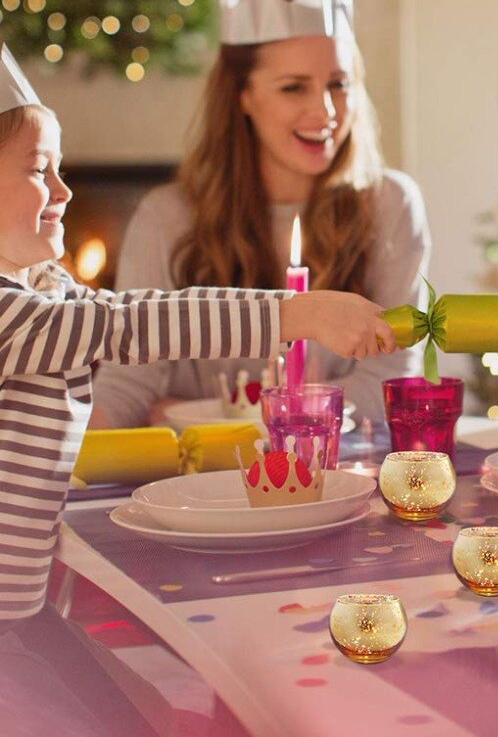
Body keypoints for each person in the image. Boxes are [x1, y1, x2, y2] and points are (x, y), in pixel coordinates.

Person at [0, 45, 393, 733]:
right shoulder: (16, 317)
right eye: (40, 171)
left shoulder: (38, 289)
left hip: (23, 606)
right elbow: (129, 323)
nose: (64, 191)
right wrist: (293, 313)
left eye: (61, 167)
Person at [93, 0, 430, 427]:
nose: (325, 110)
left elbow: (392, 381)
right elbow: (128, 378)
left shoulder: (391, 204)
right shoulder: (167, 218)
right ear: (243, 96)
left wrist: (196, 415)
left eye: (338, 84)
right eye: (293, 88)